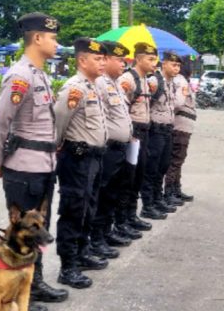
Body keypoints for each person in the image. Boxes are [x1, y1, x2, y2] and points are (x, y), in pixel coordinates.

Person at [0, 12, 68, 311]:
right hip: (23, 168)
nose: (56, 43)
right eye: (52, 38)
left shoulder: (40, 74)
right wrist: (0, 161)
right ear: (37, 38)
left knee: (40, 231)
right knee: (23, 233)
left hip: (44, 166)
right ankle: (20, 294)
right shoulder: (20, 76)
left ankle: (35, 284)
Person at [53, 37, 108, 289]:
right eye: (98, 58)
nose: (103, 63)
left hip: (94, 158)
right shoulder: (75, 88)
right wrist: (57, 149)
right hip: (77, 158)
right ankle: (68, 266)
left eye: (104, 58)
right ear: (82, 60)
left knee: (89, 208)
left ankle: (83, 252)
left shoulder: (93, 86)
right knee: (74, 211)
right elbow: (58, 123)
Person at [89, 40, 135, 257]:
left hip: (121, 148)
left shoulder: (116, 84)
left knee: (113, 193)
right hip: (107, 149)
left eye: (125, 61)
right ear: (105, 60)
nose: (123, 65)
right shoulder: (99, 84)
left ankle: (106, 232)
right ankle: (96, 238)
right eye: (119, 60)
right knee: (103, 193)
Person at [117, 42, 161, 225]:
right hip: (133, 133)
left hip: (145, 132)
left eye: (155, 59)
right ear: (139, 59)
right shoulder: (128, 80)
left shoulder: (146, 79)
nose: (154, 63)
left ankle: (131, 215)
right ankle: (122, 220)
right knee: (128, 177)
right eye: (150, 59)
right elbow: (121, 109)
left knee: (139, 175)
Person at [142, 51, 183, 216]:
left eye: (179, 65)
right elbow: (144, 105)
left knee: (163, 166)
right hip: (155, 130)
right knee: (151, 168)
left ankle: (157, 199)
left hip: (167, 129)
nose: (177, 68)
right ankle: (148, 205)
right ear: (164, 63)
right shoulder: (154, 81)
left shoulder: (170, 83)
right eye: (174, 65)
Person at [164, 56, 196, 204]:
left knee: (178, 159)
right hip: (181, 126)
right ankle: (170, 191)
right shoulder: (181, 81)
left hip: (183, 125)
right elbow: (178, 103)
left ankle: (176, 189)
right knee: (177, 159)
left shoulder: (179, 80)